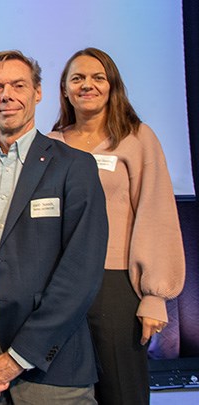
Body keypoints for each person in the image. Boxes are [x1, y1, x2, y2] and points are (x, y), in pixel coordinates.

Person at [0, 50, 108, 404]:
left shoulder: (74, 167)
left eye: (18, 85)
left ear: (38, 92)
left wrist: (19, 357)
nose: (7, 96)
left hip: (52, 357)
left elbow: (80, 273)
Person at [47, 47, 185, 405]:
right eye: (77, 78)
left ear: (112, 86)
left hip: (115, 281)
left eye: (98, 77)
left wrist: (155, 296)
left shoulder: (137, 138)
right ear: (64, 89)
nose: (87, 85)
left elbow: (156, 213)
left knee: (121, 390)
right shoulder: (52, 143)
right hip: (60, 284)